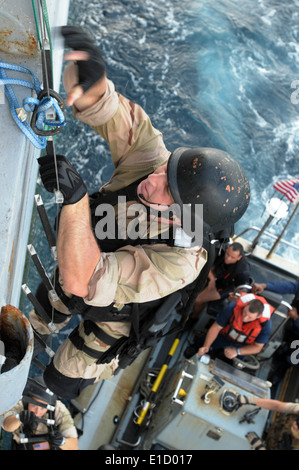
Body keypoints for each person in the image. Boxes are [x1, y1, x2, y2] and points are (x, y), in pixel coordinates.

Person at [30, 26, 250, 399]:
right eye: (169, 170)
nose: (156, 178)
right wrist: (90, 78)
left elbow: (86, 280)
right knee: (41, 317)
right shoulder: (159, 167)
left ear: (185, 217)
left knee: (62, 379)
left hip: (118, 309)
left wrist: (76, 201)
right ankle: (26, 339)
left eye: (168, 189)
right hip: (90, 257)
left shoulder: (182, 261)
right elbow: (108, 110)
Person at [184, 292, 273, 359]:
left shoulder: (265, 325)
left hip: (241, 346)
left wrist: (237, 352)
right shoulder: (233, 307)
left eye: (250, 317)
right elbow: (216, 327)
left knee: (233, 367)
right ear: (245, 306)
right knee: (204, 344)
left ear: (258, 316)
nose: (245, 318)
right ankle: (197, 346)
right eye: (245, 313)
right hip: (224, 336)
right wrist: (206, 346)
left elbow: (258, 347)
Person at [1, 377, 78, 450]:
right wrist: (18, 418)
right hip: (22, 446)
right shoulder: (20, 403)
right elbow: (7, 426)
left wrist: (62, 441)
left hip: (48, 446)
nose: (37, 412)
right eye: (34, 405)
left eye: (43, 408)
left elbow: (74, 446)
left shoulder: (59, 409)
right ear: (28, 400)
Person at [192, 241, 251, 318]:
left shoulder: (243, 272)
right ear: (227, 249)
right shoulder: (221, 251)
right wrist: (212, 279)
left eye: (232, 257)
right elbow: (207, 264)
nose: (228, 258)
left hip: (226, 287)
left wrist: (233, 298)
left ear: (239, 258)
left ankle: (192, 318)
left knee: (198, 300)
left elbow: (238, 289)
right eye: (227, 254)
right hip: (217, 274)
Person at [223, 391, 299, 450]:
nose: (295, 424)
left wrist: (259, 447)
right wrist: (252, 400)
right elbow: (278, 406)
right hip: (275, 431)